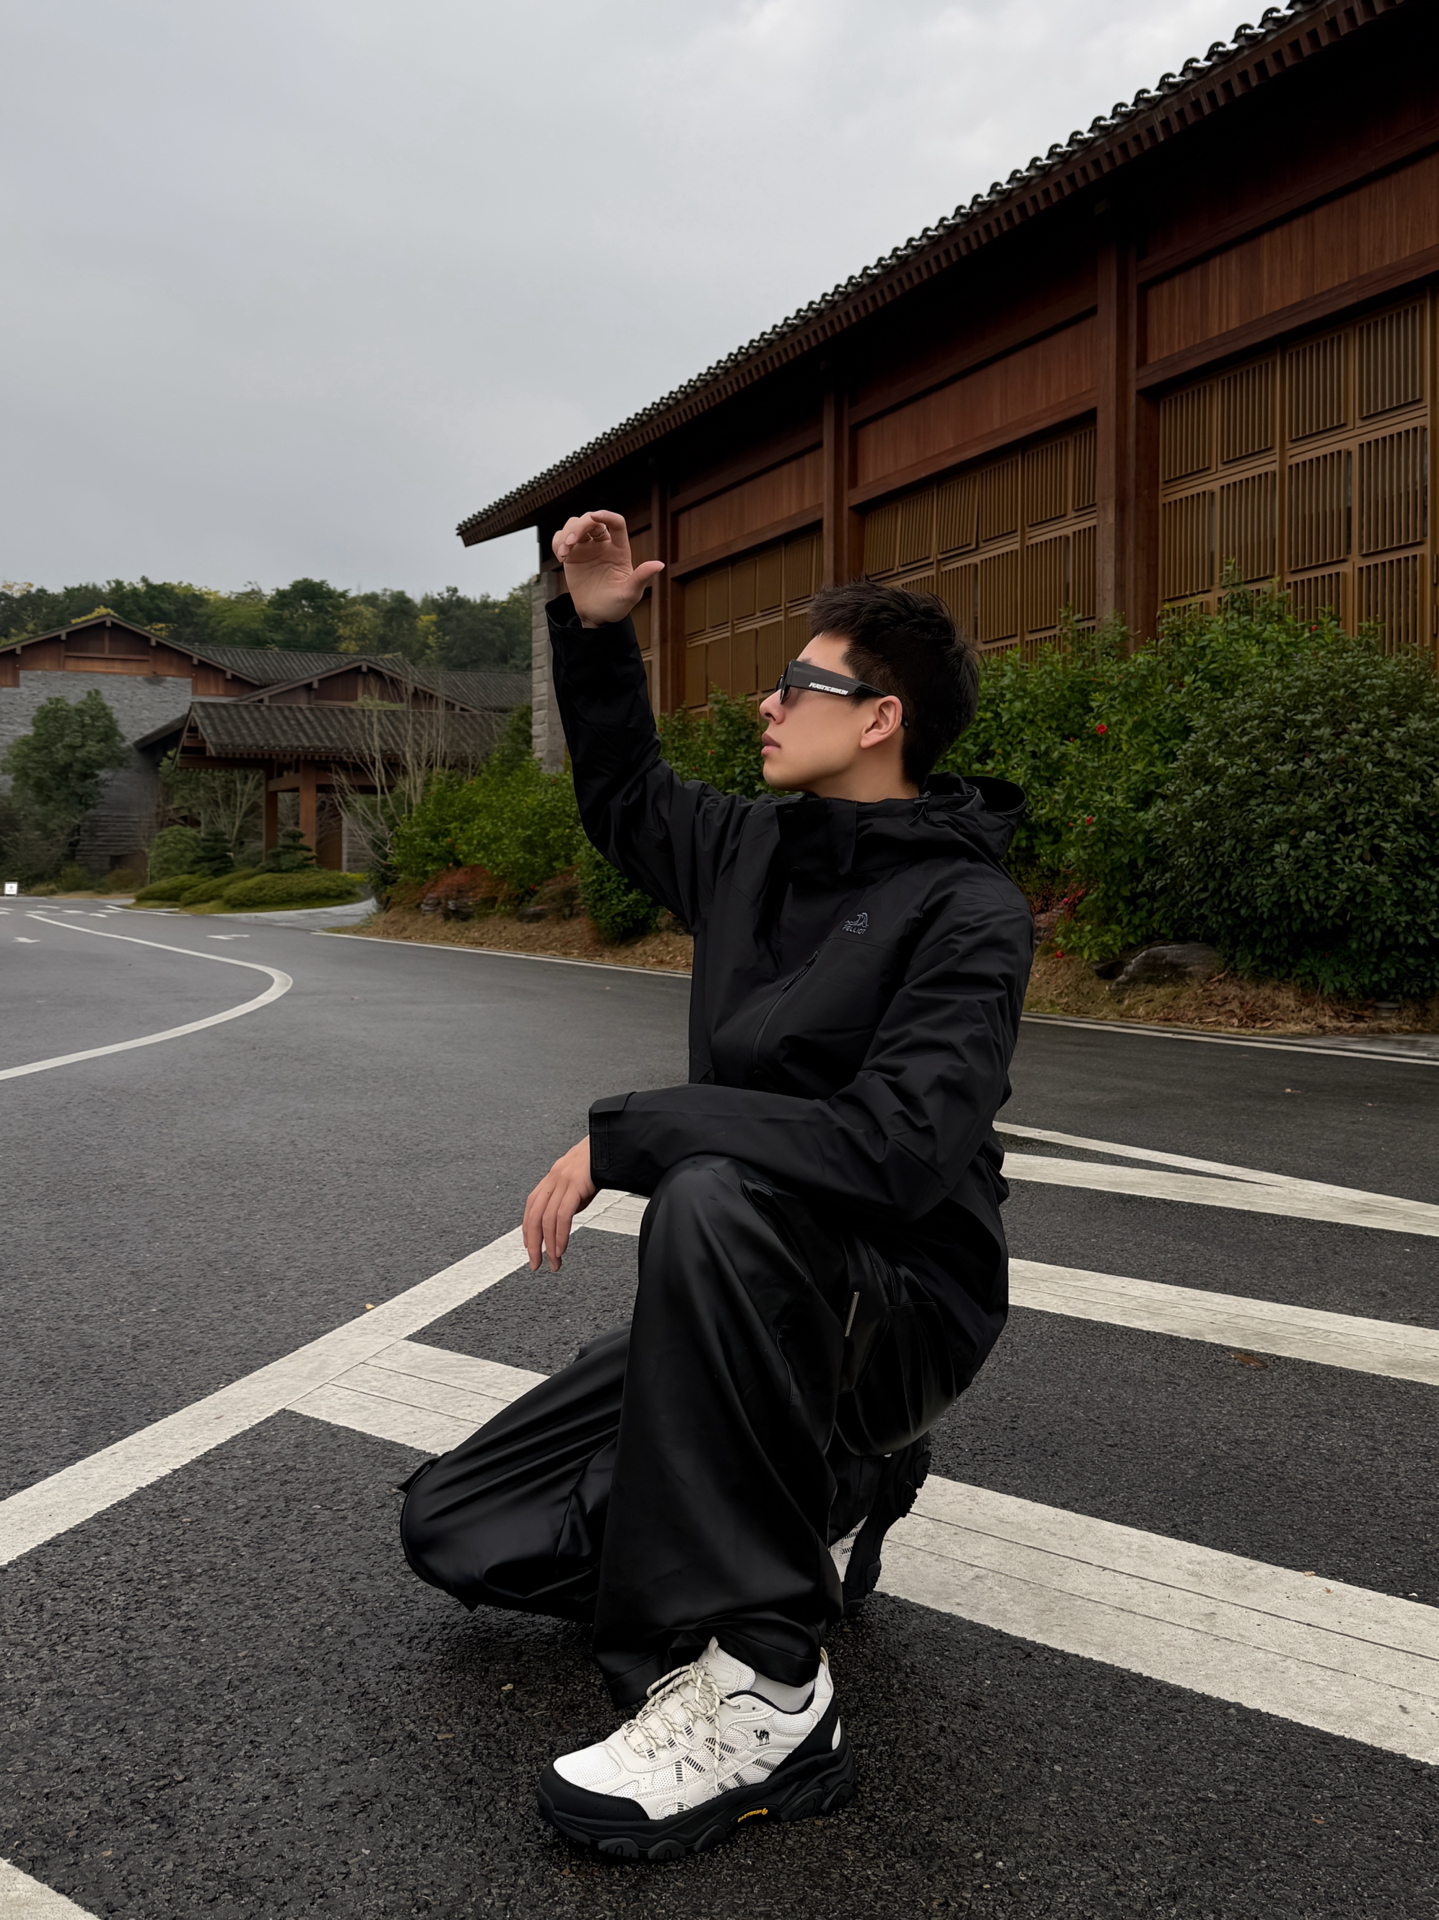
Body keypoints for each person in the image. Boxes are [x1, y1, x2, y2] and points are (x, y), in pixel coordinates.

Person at [400, 509, 1034, 1860]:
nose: (767, 702)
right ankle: (820, 1494)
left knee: (710, 1189)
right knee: (460, 1527)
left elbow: (898, 1148)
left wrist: (637, 1133)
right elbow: (625, 796)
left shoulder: (968, 910)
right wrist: (593, 631)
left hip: (897, 1305)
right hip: (747, 1295)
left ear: (881, 720)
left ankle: (769, 1685)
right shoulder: (755, 850)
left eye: (799, 683)